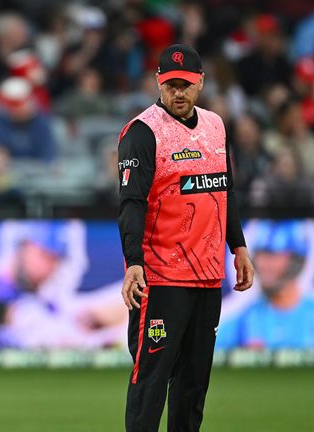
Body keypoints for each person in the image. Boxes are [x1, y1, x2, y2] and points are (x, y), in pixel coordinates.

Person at [117, 44, 254, 432]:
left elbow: (223, 191)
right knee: (151, 381)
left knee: (194, 387)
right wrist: (133, 264)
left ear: (201, 84)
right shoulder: (143, 133)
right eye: (171, 85)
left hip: (208, 278)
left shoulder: (215, 125)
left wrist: (238, 246)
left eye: (187, 85)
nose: (179, 93)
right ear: (158, 83)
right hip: (161, 279)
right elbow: (130, 205)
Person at [216, 220, 314, 349]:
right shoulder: (244, 316)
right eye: (261, 255)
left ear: (296, 262)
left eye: (273, 256)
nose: (264, 265)